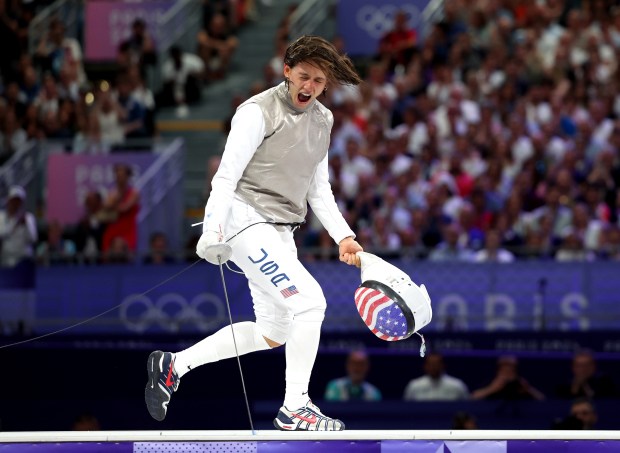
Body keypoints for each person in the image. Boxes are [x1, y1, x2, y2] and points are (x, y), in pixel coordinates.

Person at [145, 35, 363, 431]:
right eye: (302, 77)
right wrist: (211, 230)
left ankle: (173, 365)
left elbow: (318, 188)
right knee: (311, 303)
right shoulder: (257, 111)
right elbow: (225, 177)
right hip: (244, 219)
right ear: (286, 71)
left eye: (317, 81)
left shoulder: (323, 121)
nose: (308, 87)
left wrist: (343, 236)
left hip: (281, 232)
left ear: (326, 83)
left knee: (273, 332)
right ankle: (295, 406)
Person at [101, 163, 139, 256]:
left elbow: (124, 208)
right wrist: (113, 203)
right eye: (117, 175)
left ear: (127, 176)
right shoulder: (112, 193)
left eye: (121, 175)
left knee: (127, 256)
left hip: (128, 230)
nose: (119, 178)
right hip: (113, 229)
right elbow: (105, 209)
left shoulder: (134, 193)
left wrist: (114, 204)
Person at [471, 355, 545, 401]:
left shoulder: (521, 384)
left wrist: (528, 389)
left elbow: (543, 400)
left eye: (511, 369)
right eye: (504, 369)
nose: (507, 371)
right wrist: (492, 389)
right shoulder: (491, 382)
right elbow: (472, 398)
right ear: (498, 370)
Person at [403, 351, 469, 401]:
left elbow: (466, 408)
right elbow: (407, 408)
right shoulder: (414, 385)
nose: (434, 367)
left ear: (443, 365)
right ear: (425, 366)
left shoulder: (457, 385)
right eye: (431, 364)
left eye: (436, 364)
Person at [0, 185, 37, 267]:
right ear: (8, 201)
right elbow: (2, 235)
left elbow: (33, 239)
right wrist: (14, 226)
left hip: (23, 259)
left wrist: (26, 225)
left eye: (18, 201)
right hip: (5, 259)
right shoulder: (1, 217)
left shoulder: (29, 218)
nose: (15, 204)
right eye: (13, 200)